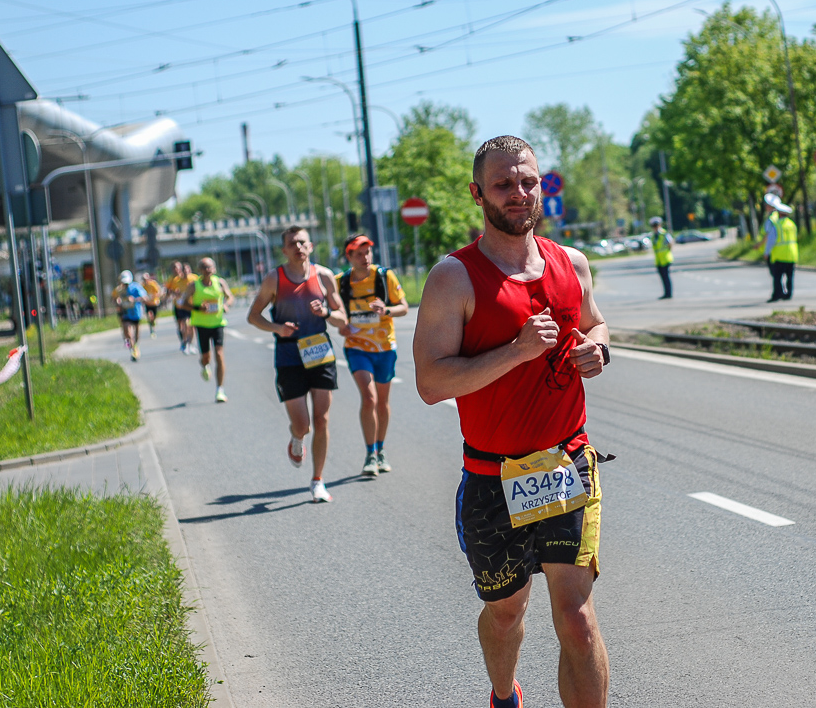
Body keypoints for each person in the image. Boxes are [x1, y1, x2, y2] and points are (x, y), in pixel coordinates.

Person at [413, 135, 611, 708]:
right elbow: (430, 383)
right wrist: (514, 353)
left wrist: (599, 350)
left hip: (566, 461)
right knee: (507, 612)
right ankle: (504, 693)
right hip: (492, 477)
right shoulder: (454, 277)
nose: (519, 193)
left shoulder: (570, 262)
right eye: (504, 183)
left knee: (577, 619)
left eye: (529, 180)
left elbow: (597, 325)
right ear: (478, 194)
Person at [247, 226, 347, 504]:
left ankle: (317, 480)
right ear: (284, 250)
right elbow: (253, 316)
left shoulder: (324, 276)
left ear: (311, 246)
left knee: (322, 418)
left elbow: (342, 318)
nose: (298, 247)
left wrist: (326, 312)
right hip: (289, 354)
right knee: (303, 424)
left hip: (319, 350)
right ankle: (296, 436)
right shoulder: (274, 279)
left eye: (302, 242)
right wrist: (277, 327)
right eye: (292, 243)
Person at [335, 234, 409, 477]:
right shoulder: (341, 282)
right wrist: (340, 324)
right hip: (357, 348)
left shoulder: (384, 276)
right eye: (358, 253)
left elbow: (404, 307)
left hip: (384, 348)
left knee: (382, 402)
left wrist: (386, 309)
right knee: (369, 398)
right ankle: (369, 454)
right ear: (349, 256)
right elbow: (331, 311)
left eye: (367, 252)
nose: (365, 257)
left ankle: (380, 449)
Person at [182, 258, 234, 403]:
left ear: (214, 269)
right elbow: (184, 303)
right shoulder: (194, 285)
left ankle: (220, 390)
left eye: (210, 267)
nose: (208, 270)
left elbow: (230, 297)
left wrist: (226, 304)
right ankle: (204, 365)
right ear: (199, 270)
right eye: (204, 267)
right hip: (201, 324)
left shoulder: (220, 283)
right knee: (206, 357)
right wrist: (199, 308)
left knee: (219, 353)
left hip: (218, 323)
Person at [762, 193, 798, 303]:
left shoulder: (777, 225)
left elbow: (771, 240)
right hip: (792, 254)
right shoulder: (792, 224)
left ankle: (777, 294)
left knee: (777, 277)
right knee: (790, 276)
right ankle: (788, 294)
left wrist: (766, 252)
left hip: (779, 255)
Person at [112, 269, 148, 361]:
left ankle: (135, 346)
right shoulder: (119, 290)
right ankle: (132, 349)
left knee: (136, 333)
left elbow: (145, 298)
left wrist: (134, 299)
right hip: (125, 313)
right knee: (128, 332)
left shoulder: (136, 287)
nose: (125, 285)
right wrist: (117, 302)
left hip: (136, 313)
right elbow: (113, 299)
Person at [166, 261, 198, 354]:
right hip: (180, 305)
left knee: (190, 325)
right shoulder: (176, 280)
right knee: (183, 325)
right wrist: (174, 293)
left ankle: (190, 343)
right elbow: (169, 291)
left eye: (188, 270)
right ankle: (185, 342)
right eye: (184, 270)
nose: (187, 272)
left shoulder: (194, 278)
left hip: (191, 305)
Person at [649, 215, 673, 299]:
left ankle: (669, 293)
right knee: (662, 278)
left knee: (666, 277)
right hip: (658, 260)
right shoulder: (653, 236)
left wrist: (667, 252)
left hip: (665, 259)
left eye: (656, 225)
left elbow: (670, 243)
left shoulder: (664, 234)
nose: (655, 228)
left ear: (659, 225)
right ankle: (666, 293)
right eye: (653, 226)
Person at [141, 272, 162, 337]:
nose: (145, 281)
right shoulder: (143, 286)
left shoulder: (153, 284)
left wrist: (153, 296)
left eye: (146, 279)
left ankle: (153, 322)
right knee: (149, 315)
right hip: (147, 303)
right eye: (143, 279)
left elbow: (158, 292)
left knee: (154, 316)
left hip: (154, 303)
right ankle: (151, 328)